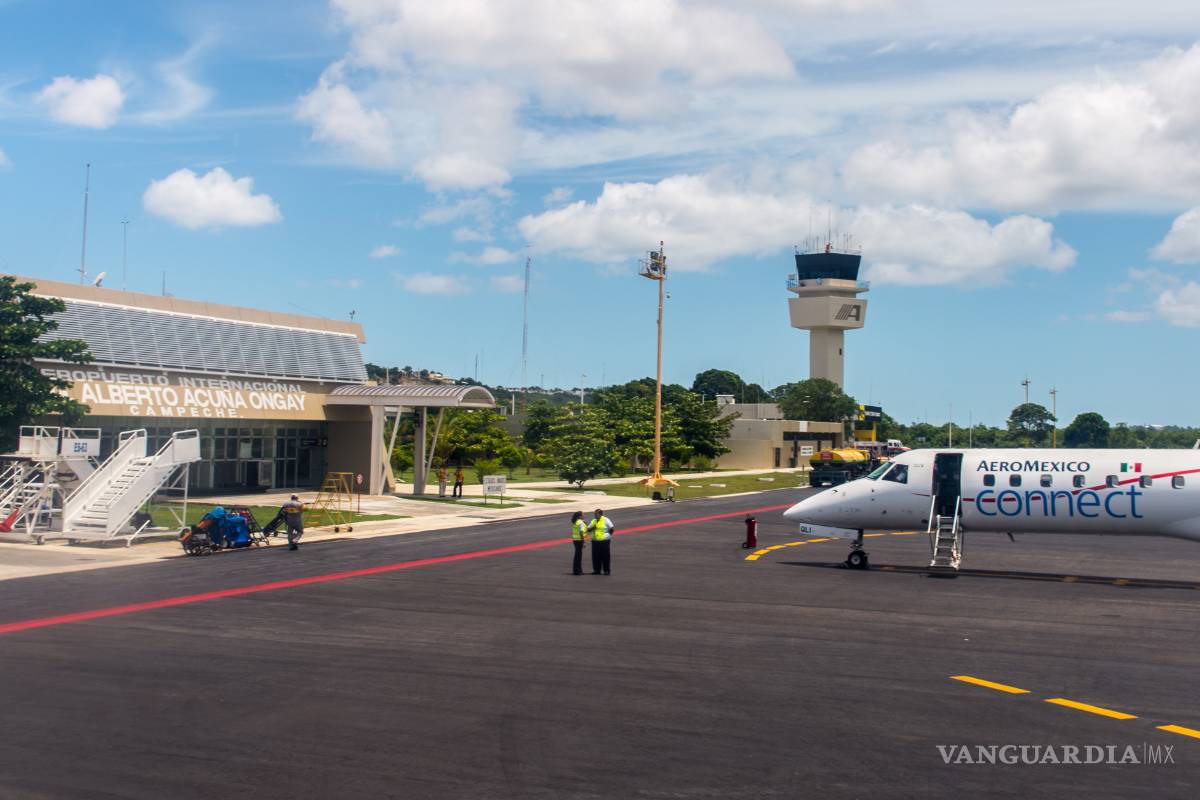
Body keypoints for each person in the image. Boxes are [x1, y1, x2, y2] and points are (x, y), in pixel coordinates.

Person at [587, 508, 614, 575]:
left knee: (605, 556)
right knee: (595, 556)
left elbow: (612, 528)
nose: (595, 516)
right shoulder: (593, 521)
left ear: (600, 514)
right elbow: (588, 529)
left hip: (604, 541)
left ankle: (606, 570)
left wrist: (608, 535)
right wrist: (593, 527)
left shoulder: (606, 520)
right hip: (595, 541)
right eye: (594, 514)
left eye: (596, 514)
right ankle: (597, 570)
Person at [570, 511, 587, 575]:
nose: (584, 516)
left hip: (575, 540)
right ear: (580, 516)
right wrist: (584, 541)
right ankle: (578, 571)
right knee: (578, 556)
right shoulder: (580, 522)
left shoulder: (576, 522)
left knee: (577, 555)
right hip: (579, 540)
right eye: (583, 515)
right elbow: (581, 532)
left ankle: (577, 570)